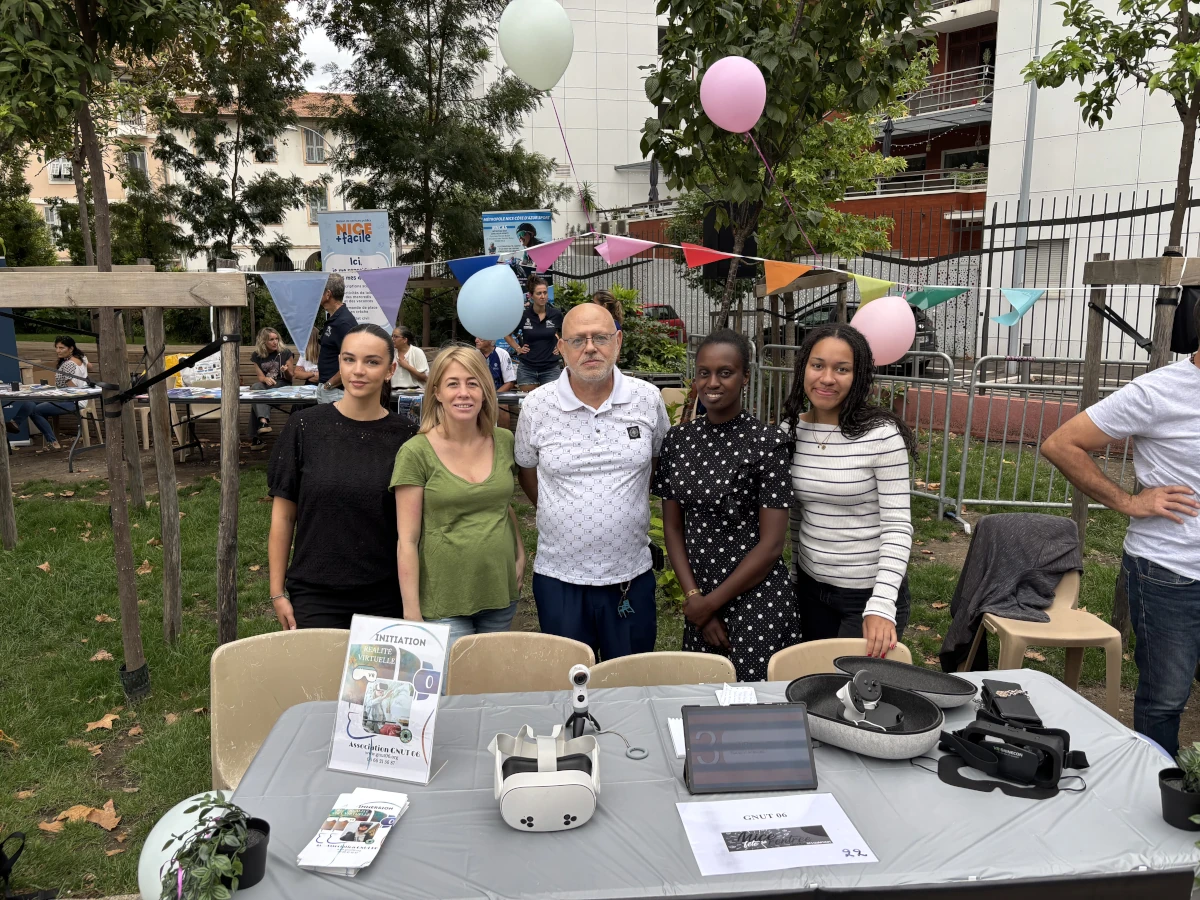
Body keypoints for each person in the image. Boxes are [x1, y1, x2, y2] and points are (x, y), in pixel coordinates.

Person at [1041, 310, 1200, 758]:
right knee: (1167, 699)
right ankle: (1158, 790)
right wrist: (1129, 502)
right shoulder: (1159, 391)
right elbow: (1061, 444)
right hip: (1170, 571)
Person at [515, 304, 669, 660]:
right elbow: (526, 468)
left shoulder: (647, 399)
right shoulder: (537, 405)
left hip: (630, 575)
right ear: (560, 346)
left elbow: (656, 461)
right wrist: (560, 511)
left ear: (618, 341)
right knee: (570, 686)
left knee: (628, 685)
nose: (590, 348)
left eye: (600, 337)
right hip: (559, 578)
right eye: (578, 340)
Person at [653, 330, 795, 682]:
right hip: (699, 595)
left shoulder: (768, 443)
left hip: (756, 598)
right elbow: (673, 527)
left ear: (745, 376)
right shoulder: (678, 440)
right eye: (704, 372)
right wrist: (694, 598)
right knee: (704, 706)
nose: (712, 382)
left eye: (725, 372)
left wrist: (709, 605)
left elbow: (772, 544)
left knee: (756, 708)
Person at [267, 324, 417, 629]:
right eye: (349, 359)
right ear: (339, 364)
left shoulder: (408, 436)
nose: (358, 370)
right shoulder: (304, 427)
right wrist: (276, 592)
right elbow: (283, 517)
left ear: (390, 370)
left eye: (372, 362)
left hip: (386, 595)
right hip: (315, 593)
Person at [780, 323, 916, 658]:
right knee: (814, 685)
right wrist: (797, 573)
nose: (827, 378)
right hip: (812, 590)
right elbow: (798, 512)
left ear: (858, 378)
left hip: (868, 596)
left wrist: (882, 605)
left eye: (842, 369)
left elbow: (898, 525)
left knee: (851, 696)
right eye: (818, 365)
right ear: (803, 369)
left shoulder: (881, 435)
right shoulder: (791, 430)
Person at [391, 345, 525, 652]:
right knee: (451, 695)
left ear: (484, 391)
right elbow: (407, 540)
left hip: (499, 589)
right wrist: (411, 611)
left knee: (491, 685)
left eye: (472, 383)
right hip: (444, 597)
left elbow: (501, 504)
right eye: (453, 384)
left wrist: (520, 553)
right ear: (436, 392)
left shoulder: (503, 441)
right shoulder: (416, 452)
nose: (463, 393)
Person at [3, 336, 89, 450]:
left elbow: (72, 389)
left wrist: (57, 393)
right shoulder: (81, 358)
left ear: (71, 348)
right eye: (56, 347)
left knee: (36, 410)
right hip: (64, 396)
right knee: (31, 401)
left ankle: (53, 442)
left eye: (61, 348)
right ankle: (15, 423)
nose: (58, 350)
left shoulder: (68, 364)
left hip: (72, 400)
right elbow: (89, 367)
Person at [506, 275, 563, 389]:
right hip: (527, 369)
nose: (543, 296)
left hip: (550, 368)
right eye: (539, 293)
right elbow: (507, 334)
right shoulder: (523, 315)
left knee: (552, 404)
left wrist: (561, 346)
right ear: (531, 296)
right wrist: (518, 348)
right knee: (528, 404)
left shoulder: (555, 314)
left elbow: (567, 334)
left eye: (545, 293)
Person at [248, 327, 294, 448]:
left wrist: (287, 371)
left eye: (276, 339)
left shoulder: (285, 353)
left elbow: (290, 378)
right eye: (271, 340)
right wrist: (265, 379)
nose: (275, 342)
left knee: (257, 399)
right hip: (267, 388)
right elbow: (260, 377)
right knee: (256, 387)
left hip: (282, 386)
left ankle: (257, 436)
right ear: (264, 342)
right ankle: (263, 422)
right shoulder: (257, 356)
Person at [316, 273, 357, 404]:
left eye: (319, 291)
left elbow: (353, 361)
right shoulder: (334, 318)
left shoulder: (343, 322)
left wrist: (329, 385)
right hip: (330, 390)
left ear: (328, 294)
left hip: (336, 392)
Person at [476, 336, 517, 428]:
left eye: (480, 338)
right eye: (476, 338)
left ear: (490, 340)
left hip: (498, 392)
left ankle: (504, 436)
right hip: (478, 392)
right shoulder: (474, 355)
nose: (476, 340)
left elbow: (510, 382)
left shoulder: (502, 354)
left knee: (502, 406)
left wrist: (493, 396)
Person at [390, 325, 429, 389]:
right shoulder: (391, 353)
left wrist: (407, 366)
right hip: (394, 391)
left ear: (405, 340)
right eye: (392, 336)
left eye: (395, 337)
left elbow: (425, 378)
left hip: (414, 391)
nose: (392, 339)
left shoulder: (416, 352)